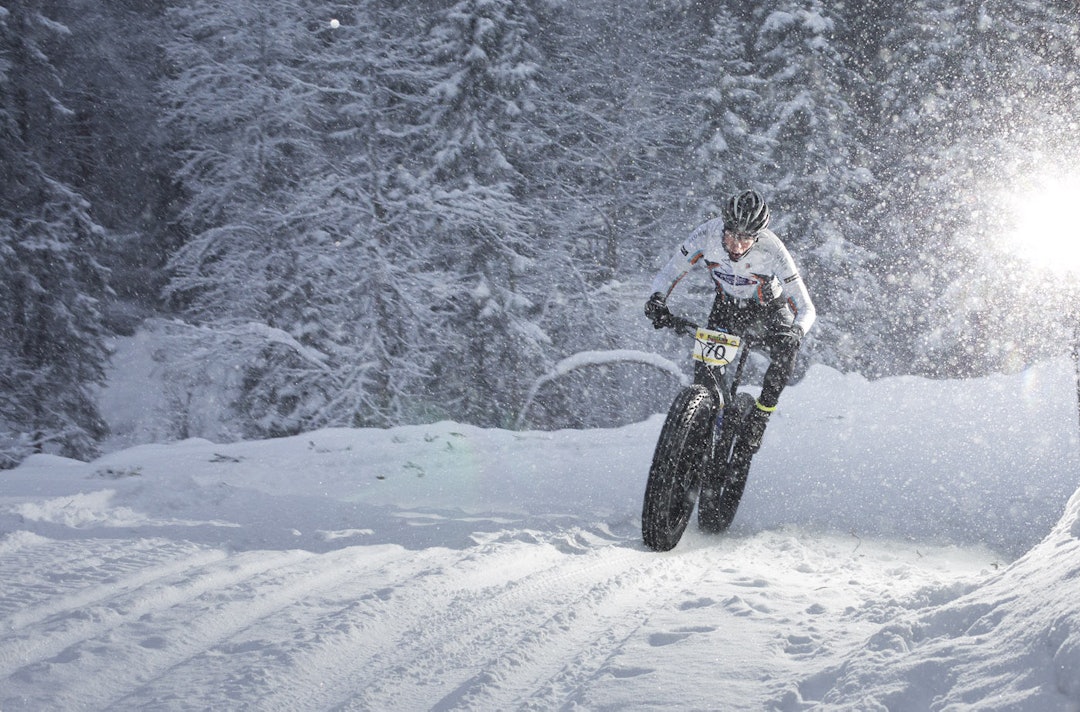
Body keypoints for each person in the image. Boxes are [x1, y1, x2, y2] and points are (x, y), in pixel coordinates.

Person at [644, 189, 816, 452]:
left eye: (746, 239)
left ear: (757, 236)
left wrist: (796, 331)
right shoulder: (706, 235)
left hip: (769, 310)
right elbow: (670, 272)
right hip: (728, 308)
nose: (737, 245)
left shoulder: (773, 249)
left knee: (787, 351)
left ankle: (761, 416)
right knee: (705, 379)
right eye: (732, 234)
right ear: (724, 225)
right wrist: (657, 299)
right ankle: (704, 423)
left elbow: (806, 308)